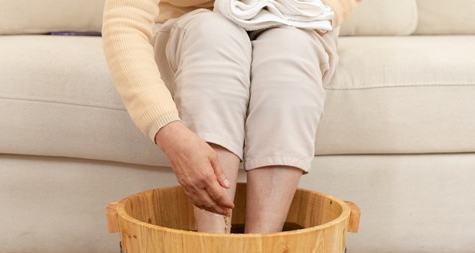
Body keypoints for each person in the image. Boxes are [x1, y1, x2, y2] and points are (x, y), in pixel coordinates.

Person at [102, 0, 359, 233]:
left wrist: (327, 9)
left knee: (290, 52)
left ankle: (262, 249)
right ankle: (213, 246)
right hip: (195, 29)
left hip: (295, 18)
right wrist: (167, 130)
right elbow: (125, 22)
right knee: (214, 35)